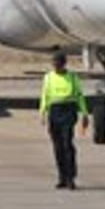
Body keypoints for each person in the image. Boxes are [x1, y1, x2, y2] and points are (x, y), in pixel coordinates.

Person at [39, 50, 89, 189]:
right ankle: (61, 176)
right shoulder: (48, 77)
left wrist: (84, 113)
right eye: (54, 63)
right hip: (54, 112)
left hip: (68, 110)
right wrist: (42, 112)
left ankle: (70, 177)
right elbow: (45, 95)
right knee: (57, 147)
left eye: (59, 64)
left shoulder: (73, 77)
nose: (56, 66)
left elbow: (79, 95)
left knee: (67, 144)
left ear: (64, 64)